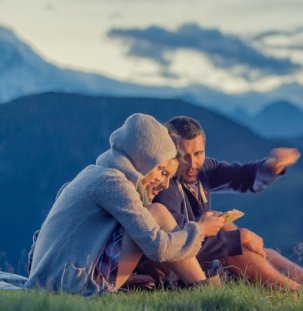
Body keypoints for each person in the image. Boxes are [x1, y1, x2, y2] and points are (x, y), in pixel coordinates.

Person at [26, 113, 225, 295]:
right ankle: (207, 293)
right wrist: (200, 230)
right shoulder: (113, 182)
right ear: (144, 159)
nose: (165, 184)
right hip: (72, 285)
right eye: (162, 172)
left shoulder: (94, 174)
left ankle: (197, 287)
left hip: (56, 278)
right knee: (156, 213)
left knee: (152, 216)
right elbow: (157, 247)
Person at [151, 116, 303, 290]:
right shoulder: (164, 187)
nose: (192, 163)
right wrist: (240, 237)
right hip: (181, 273)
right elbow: (178, 244)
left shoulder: (203, 170)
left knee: (261, 253)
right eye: (184, 156)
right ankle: (300, 293)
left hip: (203, 259)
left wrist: (272, 166)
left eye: (198, 154)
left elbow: (240, 176)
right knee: (235, 248)